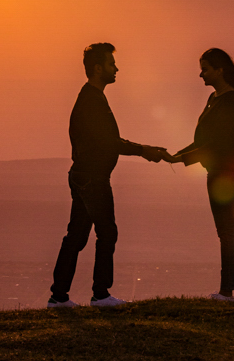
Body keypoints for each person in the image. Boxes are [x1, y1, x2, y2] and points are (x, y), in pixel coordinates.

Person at [48, 42, 169, 308]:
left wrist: (145, 149)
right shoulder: (92, 100)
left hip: (83, 176)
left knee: (77, 237)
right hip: (93, 178)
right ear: (98, 68)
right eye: (112, 64)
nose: (117, 69)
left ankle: (59, 296)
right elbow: (109, 142)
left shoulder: (91, 97)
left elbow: (107, 140)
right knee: (106, 233)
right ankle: (100, 295)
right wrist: (144, 151)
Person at [170, 48, 234, 305]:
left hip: (225, 171)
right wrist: (179, 154)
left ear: (220, 70)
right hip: (218, 169)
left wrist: (182, 158)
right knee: (232, 231)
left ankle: (226, 292)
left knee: (226, 232)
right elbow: (204, 140)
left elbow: (216, 144)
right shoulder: (216, 98)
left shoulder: (227, 103)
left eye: (205, 68)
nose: (201, 74)